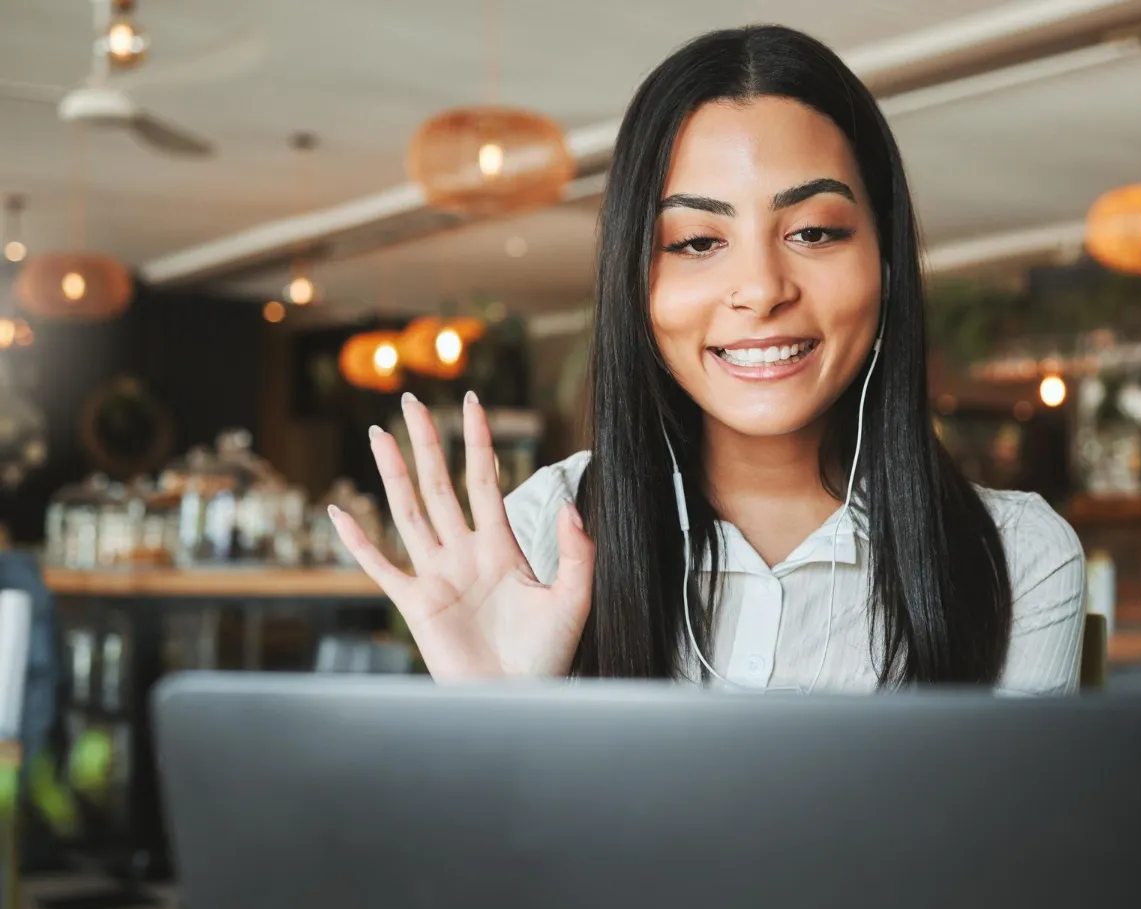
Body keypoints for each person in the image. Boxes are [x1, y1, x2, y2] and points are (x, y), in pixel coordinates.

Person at [330, 25, 1085, 694]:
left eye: (815, 232)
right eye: (696, 242)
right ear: (635, 281)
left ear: (886, 261)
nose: (759, 290)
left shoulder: (1015, 559)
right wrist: (490, 717)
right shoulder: (539, 538)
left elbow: (1003, 855)